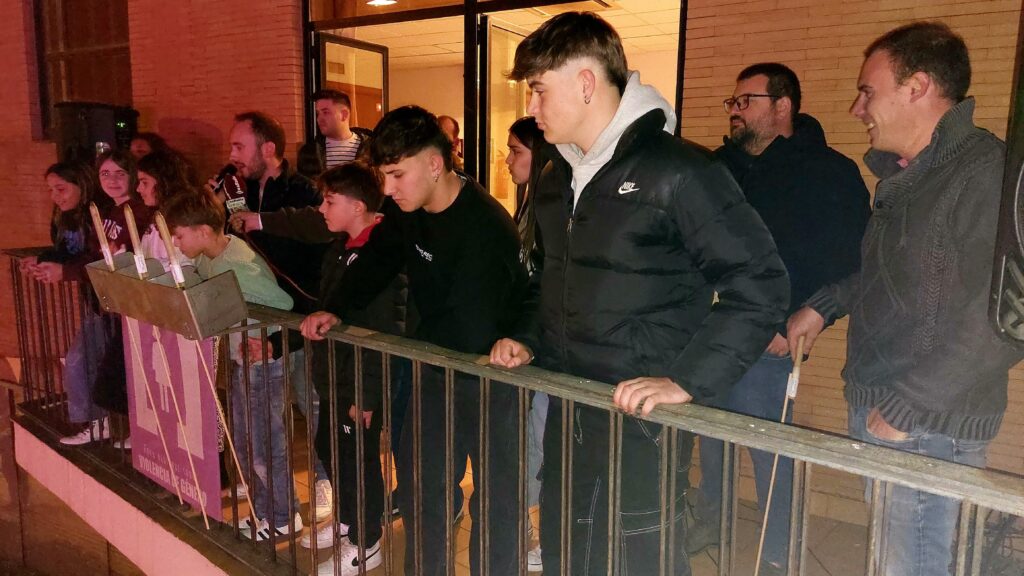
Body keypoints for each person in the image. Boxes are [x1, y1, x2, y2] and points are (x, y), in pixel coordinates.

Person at [490, 12, 790, 576]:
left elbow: (760, 284)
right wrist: (528, 337)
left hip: (641, 420)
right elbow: (548, 275)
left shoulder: (680, 171)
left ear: (585, 83)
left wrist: (687, 379)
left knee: (639, 559)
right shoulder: (555, 176)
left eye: (539, 89)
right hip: (569, 402)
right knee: (566, 552)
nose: (531, 106)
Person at [786, 22, 1024, 576]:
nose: (857, 109)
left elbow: (1006, 317)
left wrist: (906, 406)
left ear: (917, 87)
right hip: (891, 410)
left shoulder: (987, 174)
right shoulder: (911, 177)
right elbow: (891, 276)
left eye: (867, 91)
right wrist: (825, 303)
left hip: (927, 423)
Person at [303, 105, 527, 575]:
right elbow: (378, 260)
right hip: (435, 369)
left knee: (496, 501)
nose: (387, 189)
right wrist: (334, 307)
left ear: (434, 164)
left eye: (397, 175)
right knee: (423, 492)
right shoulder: (407, 211)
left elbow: (482, 320)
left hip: (492, 379)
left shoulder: (485, 226)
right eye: (384, 176)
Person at [684, 63, 871, 575]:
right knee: (711, 438)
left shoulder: (829, 172)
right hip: (708, 335)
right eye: (732, 102)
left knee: (770, 449)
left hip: (770, 342)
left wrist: (795, 322)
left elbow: (847, 260)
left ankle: (778, 550)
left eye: (745, 101)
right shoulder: (717, 169)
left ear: (783, 106)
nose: (735, 111)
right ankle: (712, 519)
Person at [265, 163, 405, 574]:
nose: (321, 209)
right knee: (331, 448)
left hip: (357, 378)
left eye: (329, 201)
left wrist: (367, 394)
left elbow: (385, 331)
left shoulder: (382, 253)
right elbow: (323, 310)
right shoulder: (340, 247)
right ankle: (347, 522)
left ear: (358, 206)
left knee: (357, 459)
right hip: (333, 374)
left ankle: (366, 541)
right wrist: (277, 345)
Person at [164, 190, 301, 541]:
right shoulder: (210, 257)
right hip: (245, 359)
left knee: (265, 442)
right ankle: (263, 511)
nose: (176, 243)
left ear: (203, 231)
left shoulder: (237, 264)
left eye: (179, 235)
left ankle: (285, 517)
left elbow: (283, 304)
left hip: (264, 362)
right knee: (245, 442)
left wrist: (264, 336)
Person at [219, 110, 332, 521]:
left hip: (302, 314)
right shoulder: (239, 189)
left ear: (268, 149)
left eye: (240, 146)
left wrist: (261, 222)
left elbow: (318, 233)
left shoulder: (302, 190)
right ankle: (272, 494)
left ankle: (324, 478)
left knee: (311, 401)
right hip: (262, 318)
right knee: (268, 413)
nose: (232, 155)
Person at [25, 162, 109, 446]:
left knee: (79, 360)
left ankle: (98, 422)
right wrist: (42, 260)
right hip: (93, 300)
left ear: (81, 186)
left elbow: (98, 260)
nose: (55, 196)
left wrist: (64, 271)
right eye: (51, 190)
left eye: (60, 189)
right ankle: (98, 422)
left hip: (107, 301)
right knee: (87, 359)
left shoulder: (99, 216)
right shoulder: (63, 217)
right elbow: (65, 252)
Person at [505, 115, 547, 573]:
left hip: (547, 349)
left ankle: (545, 535)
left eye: (516, 151)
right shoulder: (528, 205)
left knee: (541, 441)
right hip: (530, 344)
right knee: (530, 441)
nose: (507, 160)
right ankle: (528, 527)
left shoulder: (550, 210)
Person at [137, 150, 194, 270]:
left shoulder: (184, 221)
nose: (138, 189)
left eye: (145, 183)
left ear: (164, 183)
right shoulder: (154, 219)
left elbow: (185, 267)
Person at [297, 89, 372, 179]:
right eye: (318, 113)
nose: (319, 119)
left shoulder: (370, 149)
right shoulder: (310, 152)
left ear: (344, 114)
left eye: (325, 112)